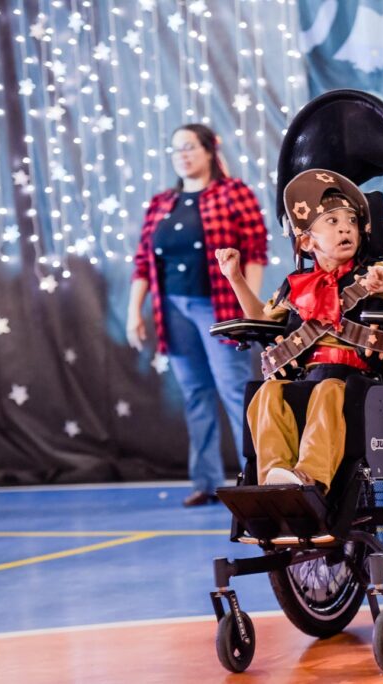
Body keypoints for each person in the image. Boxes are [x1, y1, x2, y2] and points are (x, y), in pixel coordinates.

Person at [217, 169, 383, 491]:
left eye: (352, 221)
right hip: (308, 375)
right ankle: (274, 481)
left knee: (328, 391)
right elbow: (261, 319)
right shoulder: (296, 287)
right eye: (332, 221)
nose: (345, 228)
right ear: (306, 240)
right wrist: (235, 278)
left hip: (363, 379)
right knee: (267, 393)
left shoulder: (377, 274)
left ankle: (309, 481)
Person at [127, 124, 268, 507]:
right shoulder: (162, 203)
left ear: (208, 151)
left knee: (235, 391)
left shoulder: (233, 193)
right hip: (172, 308)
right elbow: (142, 262)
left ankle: (257, 479)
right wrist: (134, 311)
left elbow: (255, 250)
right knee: (195, 394)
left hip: (218, 307)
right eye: (176, 149)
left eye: (189, 147)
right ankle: (206, 482)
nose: (183, 155)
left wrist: (250, 306)